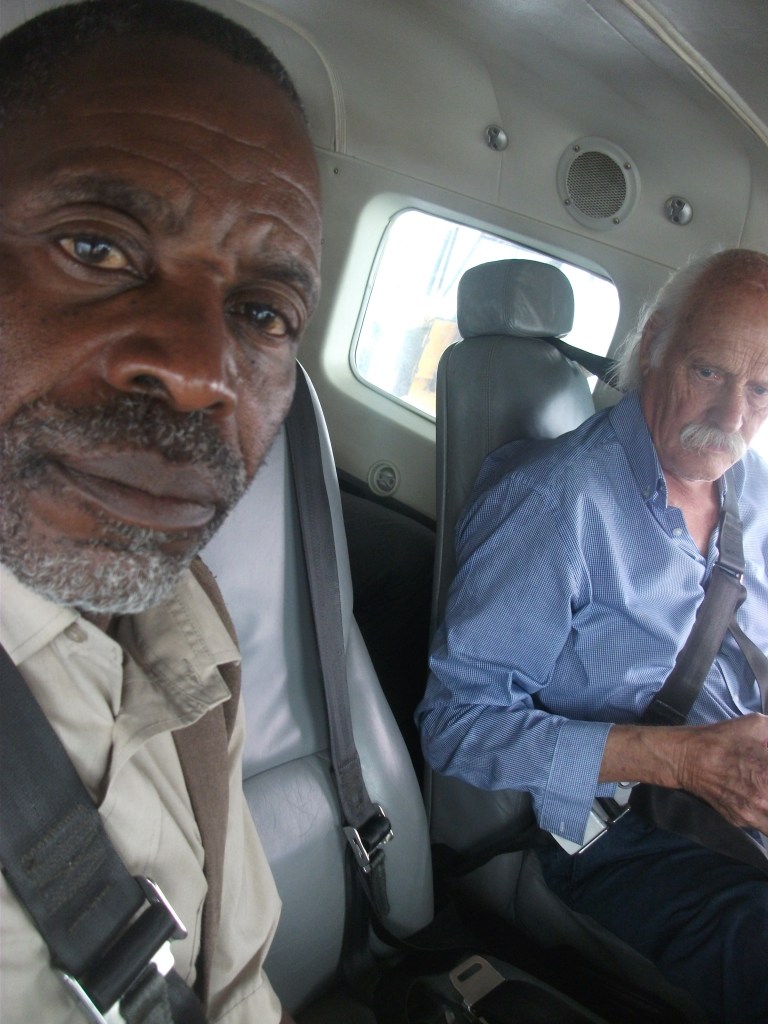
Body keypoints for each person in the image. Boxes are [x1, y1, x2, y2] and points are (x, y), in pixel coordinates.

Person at [0, 2, 321, 1022]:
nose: (199, 373)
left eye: (262, 313)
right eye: (95, 247)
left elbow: (237, 984)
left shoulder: (186, 615)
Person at [417, 249, 768, 1023]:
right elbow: (455, 725)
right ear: (655, 345)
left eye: (762, 389)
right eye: (709, 371)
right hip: (613, 834)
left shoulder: (752, 487)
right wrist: (688, 762)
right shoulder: (558, 503)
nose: (732, 418)